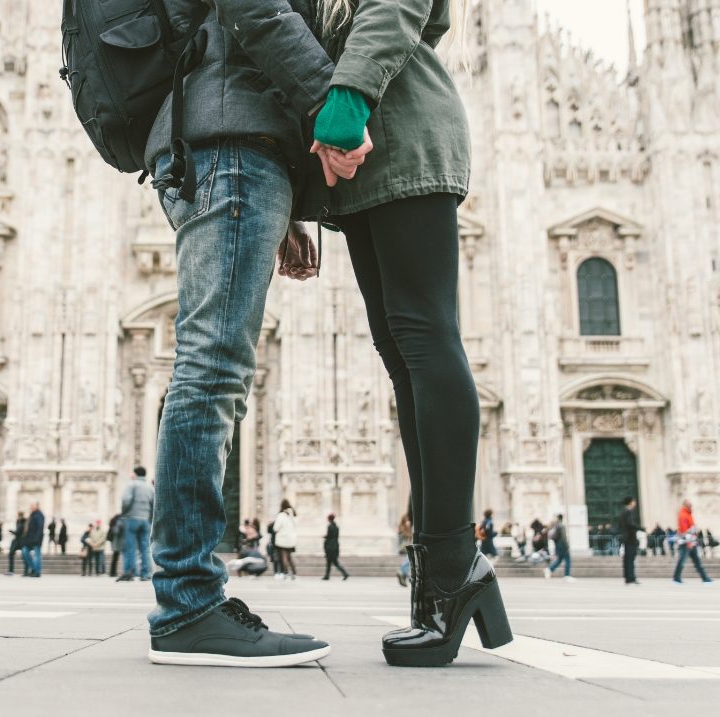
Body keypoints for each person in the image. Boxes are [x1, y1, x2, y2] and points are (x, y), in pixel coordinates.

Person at [300, 0, 510, 667]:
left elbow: (396, 10)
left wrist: (347, 102)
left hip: (402, 131)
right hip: (354, 162)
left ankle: (453, 561)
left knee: (426, 338)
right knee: (400, 354)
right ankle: (440, 573)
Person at [136, 0, 335, 667]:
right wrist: (334, 109)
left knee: (212, 371)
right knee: (211, 373)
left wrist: (289, 209)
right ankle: (189, 603)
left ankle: (190, 598)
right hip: (229, 147)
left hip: (231, 148)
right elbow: (255, 10)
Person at [117, 466, 153, 583]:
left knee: (130, 547)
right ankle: (146, 573)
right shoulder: (150, 487)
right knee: (145, 548)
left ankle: (129, 572)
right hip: (145, 519)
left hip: (132, 518)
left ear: (135, 474)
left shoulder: (131, 485)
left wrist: (124, 513)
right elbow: (154, 504)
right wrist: (150, 517)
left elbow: (126, 500)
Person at [674, 500, 713, 584]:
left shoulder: (688, 514)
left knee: (696, 561)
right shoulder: (683, 515)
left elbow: (691, 528)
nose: (691, 507)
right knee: (682, 561)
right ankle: (676, 577)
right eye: (689, 505)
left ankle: (704, 577)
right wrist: (689, 542)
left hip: (691, 542)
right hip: (686, 543)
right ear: (685, 505)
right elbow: (684, 530)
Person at [272, 500, 299, 580]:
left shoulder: (281, 515)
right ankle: (294, 574)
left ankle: (285, 573)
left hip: (282, 539)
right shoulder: (292, 515)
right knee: (290, 557)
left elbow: (276, 528)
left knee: (284, 557)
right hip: (291, 539)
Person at [543, 514, 574, 582]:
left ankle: (549, 569)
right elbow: (564, 537)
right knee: (567, 559)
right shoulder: (561, 526)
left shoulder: (556, 525)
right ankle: (567, 575)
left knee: (559, 559)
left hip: (558, 545)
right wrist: (567, 546)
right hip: (562, 545)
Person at [618, 497, 642, 585]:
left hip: (626, 538)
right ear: (630, 503)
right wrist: (641, 528)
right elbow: (630, 524)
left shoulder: (623, 512)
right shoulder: (628, 512)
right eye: (634, 501)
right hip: (630, 538)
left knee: (628, 559)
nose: (635, 503)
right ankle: (631, 578)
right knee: (630, 559)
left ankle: (628, 577)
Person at [322, 514, 349, 580]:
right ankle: (327, 575)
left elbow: (329, 536)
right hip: (335, 546)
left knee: (332, 562)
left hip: (330, 547)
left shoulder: (330, 526)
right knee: (332, 562)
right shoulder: (336, 527)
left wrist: (325, 537)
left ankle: (344, 573)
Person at [21, 502, 45, 577]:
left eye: (32, 506)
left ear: (36, 506)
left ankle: (37, 572)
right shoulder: (32, 515)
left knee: (37, 555)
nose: (30, 507)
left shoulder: (39, 515)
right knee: (24, 551)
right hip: (29, 540)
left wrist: (37, 539)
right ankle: (34, 569)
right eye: (30, 506)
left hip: (36, 540)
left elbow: (40, 528)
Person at [395, 513, 413, 586]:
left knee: (410, 559)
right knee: (410, 557)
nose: (409, 522)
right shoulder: (403, 530)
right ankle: (404, 573)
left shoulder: (405, 529)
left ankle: (404, 575)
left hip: (407, 548)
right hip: (404, 548)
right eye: (407, 521)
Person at [5, 511, 26, 576]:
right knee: (11, 554)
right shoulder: (18, 521)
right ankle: (11, 570)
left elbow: (18, 531)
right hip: (17, 540)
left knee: (24, 555)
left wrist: (12, 531)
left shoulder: (23, 522)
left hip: (21, 541)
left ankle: (26, 570)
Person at [107, 513, 123, 578]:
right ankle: (112, 572)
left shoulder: (113, 524)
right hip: (117, 544)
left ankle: (112, 572)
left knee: (114, 558)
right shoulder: (116, 524)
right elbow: (116, 532)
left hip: (114, 544)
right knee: (115, 558)